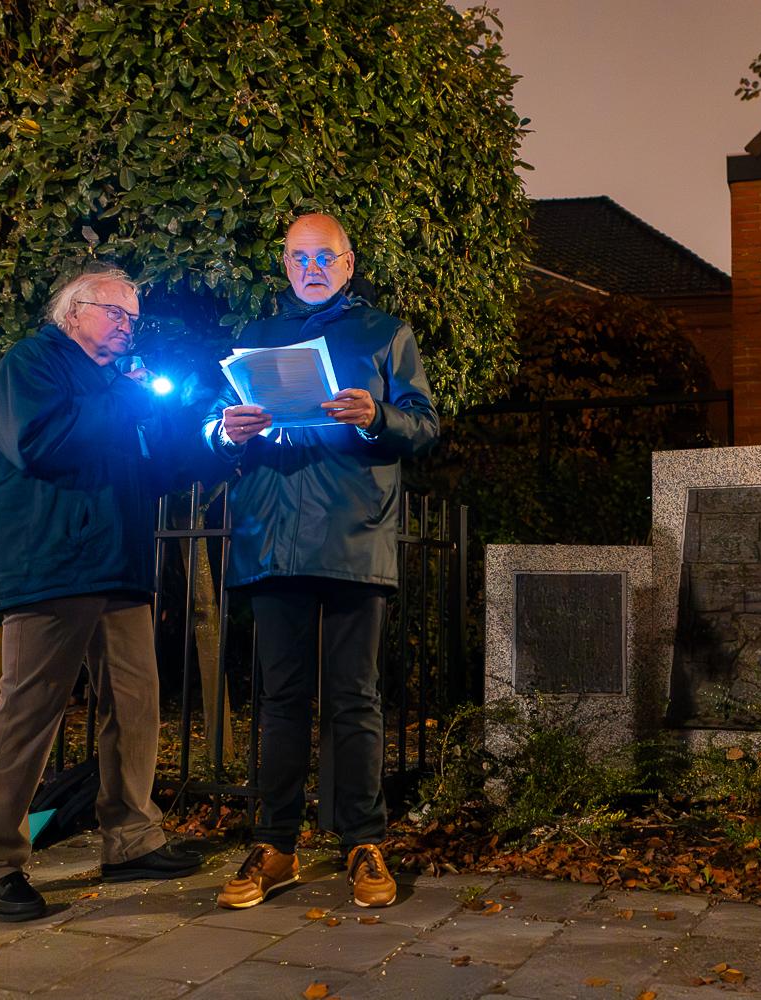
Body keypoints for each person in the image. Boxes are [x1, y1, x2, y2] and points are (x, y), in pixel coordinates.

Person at [206, 213, 439, 910]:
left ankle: (364, 842)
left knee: (354, 697)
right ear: (284, 264)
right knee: (279, 701)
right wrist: (226, 431)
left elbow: (425, 425)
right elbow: (210, 429)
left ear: (348, 263)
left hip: (352, 537)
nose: (311, 268)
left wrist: (375, 416)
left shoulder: (385, 334)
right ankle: (275, 844)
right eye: (299, 257)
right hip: (272, 538)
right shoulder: (253, 340)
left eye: (324, 257)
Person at [0, 267, 203, 921]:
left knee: (136, 703)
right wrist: (126, 400)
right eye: (115, 313)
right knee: (29, 711)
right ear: (72, 312)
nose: (128, 326)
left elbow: (158, 472)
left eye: (135, 317)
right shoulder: (29, 365)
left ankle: (131, 839)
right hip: (50, 565)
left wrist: (209, 438)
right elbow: (39, 443)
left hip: (118, 566)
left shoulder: (116, 386)